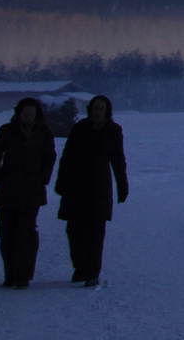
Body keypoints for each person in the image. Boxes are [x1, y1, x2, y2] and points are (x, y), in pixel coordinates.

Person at [54, 95, 128, 287]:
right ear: (90, 110)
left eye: (101, 109)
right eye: (95, 108)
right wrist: (61, 183)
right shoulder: (79, 128)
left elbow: (118, 161)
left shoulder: (113, 131)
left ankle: (92, 273)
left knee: (96, 234)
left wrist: (122, 186)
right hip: (75, 189)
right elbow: (67, 157)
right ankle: (80, 267)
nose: (97, 112)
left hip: (99, 190)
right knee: (74, 232)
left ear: (107, 112)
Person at [0, 97, 56, 288]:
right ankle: (10, 275)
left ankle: (24, 275)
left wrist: (43, 178)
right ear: (18, 114)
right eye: (25, 115)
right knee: (7, 234)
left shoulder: (44, 132)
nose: (28, 118)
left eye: (31, 115)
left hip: (32, 191)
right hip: (7, 191)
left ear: (36, 115)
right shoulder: (7, 131)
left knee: (27, 234)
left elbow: (50, 157)